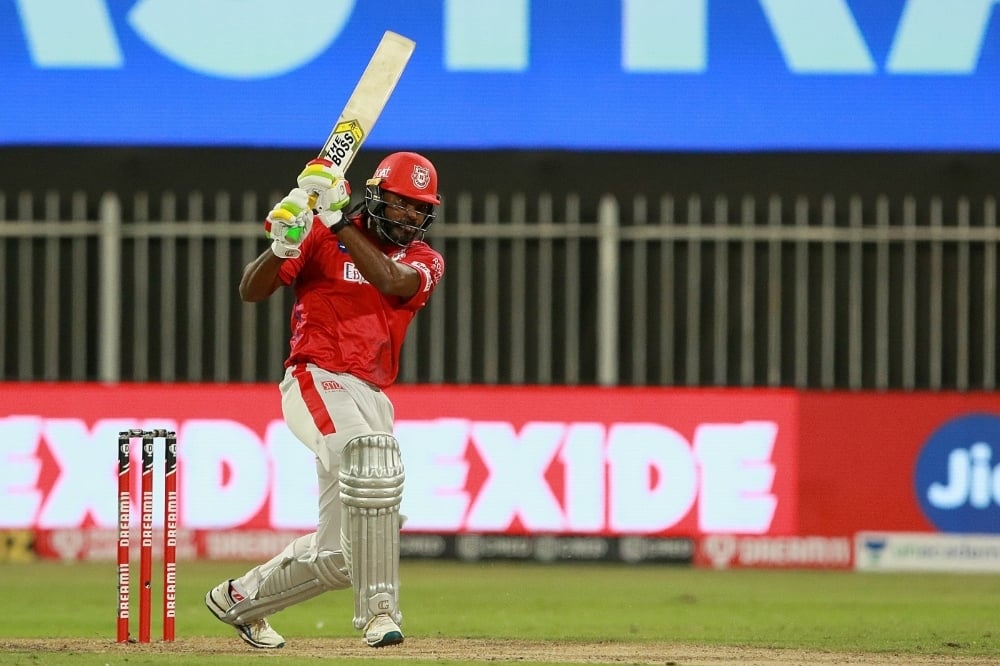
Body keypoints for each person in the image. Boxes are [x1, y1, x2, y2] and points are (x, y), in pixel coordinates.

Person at [204, 152, 444, 649]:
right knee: (372, 467)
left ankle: (239, 599)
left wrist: (335, 221)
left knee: (342, 556)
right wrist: (281, 244)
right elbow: (251, 290)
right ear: (376, 194)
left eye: (418, 210)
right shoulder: (317, 235)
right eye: (399, 204)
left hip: (372, 394)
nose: (408, 218)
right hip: (317, 376)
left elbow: (391, 282)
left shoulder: (423, 259)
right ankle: (380, 615)